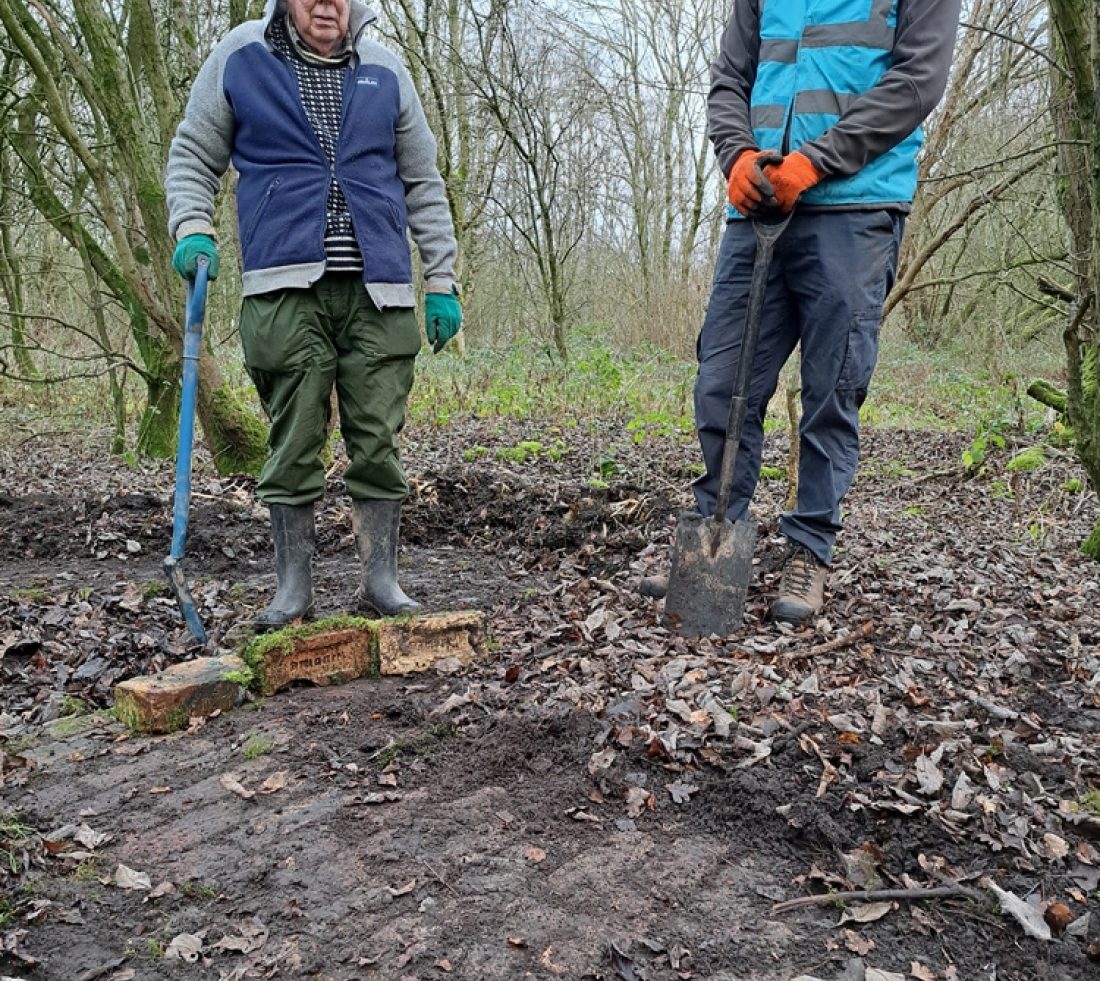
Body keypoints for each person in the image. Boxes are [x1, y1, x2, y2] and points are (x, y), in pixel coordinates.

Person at [165, 0, 461, 631]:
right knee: (294, 434)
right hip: (282, 285)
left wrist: (441, 278)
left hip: (378, 287)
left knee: (377, 436)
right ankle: (292, 589)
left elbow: (423, 181)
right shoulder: (242, 56)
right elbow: (193, 153)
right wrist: (193, 226)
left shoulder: (386, 69)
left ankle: (380, 580)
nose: (327, 6)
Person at [674, 0, 962, 626]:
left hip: (856, 207)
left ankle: (809, 549)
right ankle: (716, 528)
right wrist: (737, 156)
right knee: (723, 382)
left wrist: (818, 159)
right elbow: (729, 80)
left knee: (832, 388)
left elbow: (917, 81)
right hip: (756, 207)